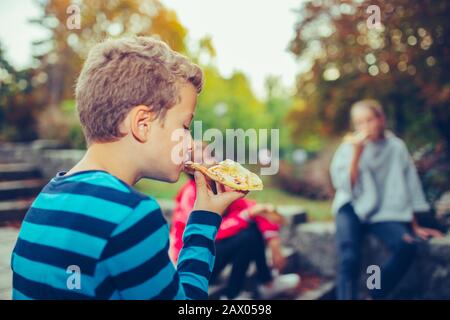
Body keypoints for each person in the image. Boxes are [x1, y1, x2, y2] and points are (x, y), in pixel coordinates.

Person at [10, 36, 247, 300]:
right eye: (185, 126)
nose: (190, 142)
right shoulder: (131, 216)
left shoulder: (46, 200)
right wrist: (204, 218)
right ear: (142, 123)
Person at [330, 99, 443, 300]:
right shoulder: (349, 147)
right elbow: (345, 185)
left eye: (369, 120)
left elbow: (409, 186)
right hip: (352, 207)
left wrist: (414, 224)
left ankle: (375, 293)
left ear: (381, 119)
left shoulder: (396, 147)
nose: (365, 127)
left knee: (407, 245)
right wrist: (357, 154)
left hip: (383, 212)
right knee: (349, 257)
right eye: (359, 123)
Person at [170, 144, 300, 299]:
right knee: (247, 236)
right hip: (190, 263)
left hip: (211, 255)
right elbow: (207, 232)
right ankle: (238, 292)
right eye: (204, 157)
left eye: (212, 154)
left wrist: (273, 240)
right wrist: (246, 215)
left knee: (250, 231)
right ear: (193, 167)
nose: (214, 160)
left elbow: (252, 209)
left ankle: (263, 283)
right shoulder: (190, 194)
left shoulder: (219, 186)